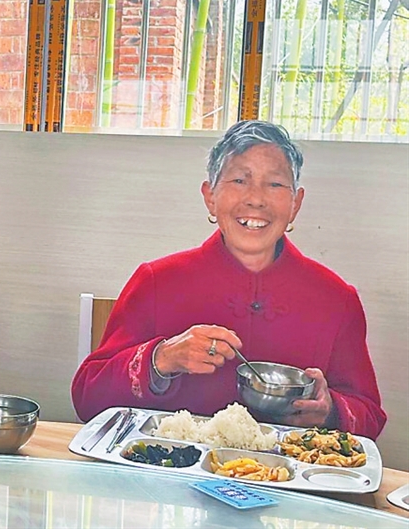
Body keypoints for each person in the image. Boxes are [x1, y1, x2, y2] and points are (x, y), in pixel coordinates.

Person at [71, 120, 386, 439]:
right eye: (239, 180)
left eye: (275, 184)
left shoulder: (336, 299)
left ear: (295, 204)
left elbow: (369, 417)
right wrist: (161, 359)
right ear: (210, 196)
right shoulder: (155, 280)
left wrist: (330, 410)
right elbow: (88, 399)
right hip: (170, 468)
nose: (256, 199)